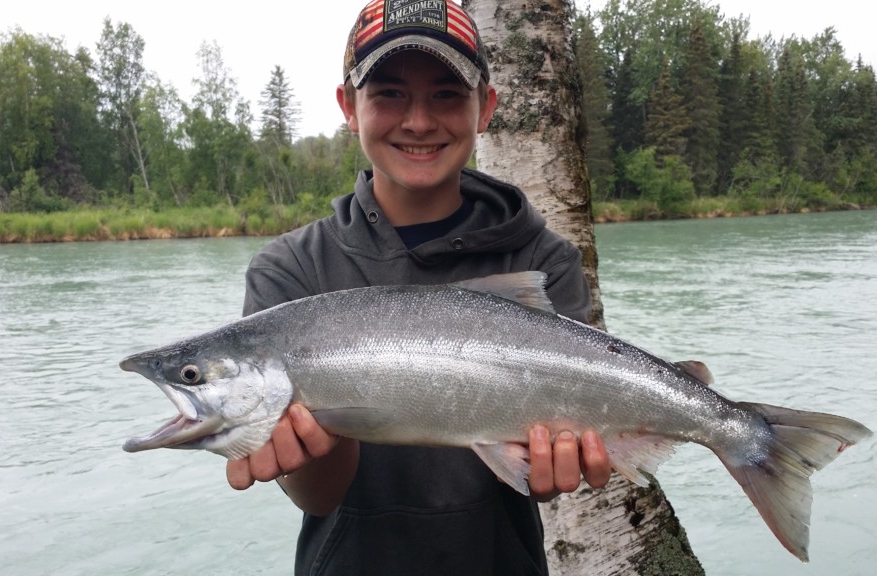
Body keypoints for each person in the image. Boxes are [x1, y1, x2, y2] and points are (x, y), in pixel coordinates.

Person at [226, 0, 611, 573]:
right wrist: (305, 451)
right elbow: (318, 497)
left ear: (486, 108)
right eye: (388, 93)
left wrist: (554, 468)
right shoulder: (290, 271)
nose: (419, 121)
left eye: (447, 94)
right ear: (348, 107)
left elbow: (546, 480)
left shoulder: (543, 257)